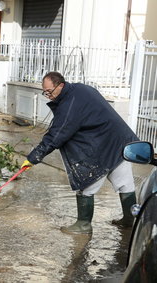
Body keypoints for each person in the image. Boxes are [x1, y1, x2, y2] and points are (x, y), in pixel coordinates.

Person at [21, 71, 139, 234]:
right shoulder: (80, 89)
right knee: (125, 183)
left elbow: (57, 135)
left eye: (49, 91)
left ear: (60, 85)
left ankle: (83, 225)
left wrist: (34, 157)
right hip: (119, 140)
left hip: (105, 144)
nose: (48, 96)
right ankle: (129, 220)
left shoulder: (70, 103)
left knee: (87, 183)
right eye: (45, 92)